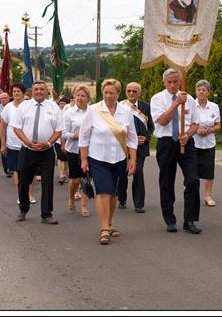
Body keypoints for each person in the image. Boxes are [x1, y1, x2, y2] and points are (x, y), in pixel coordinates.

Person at [79, 79, 137, 245]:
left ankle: (109, 224)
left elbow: (132, 138)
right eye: (105, 92)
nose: (108, 95)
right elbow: (84, 136)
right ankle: (104, 229)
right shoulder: (93, 110)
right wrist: (84, 159)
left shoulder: (126, 111)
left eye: (111, 92)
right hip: (98, 158)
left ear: (118, 94)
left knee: (113, 194)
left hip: (119, 158)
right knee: (103, 192)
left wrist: (132, 159)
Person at [150, 68, 201, 234]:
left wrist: (188, 134)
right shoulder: (157, 99)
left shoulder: (190, 99)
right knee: (167, 180)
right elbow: (163, 121)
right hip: (166, 143)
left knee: (193, 180)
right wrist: (176, 103)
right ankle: (169, 219)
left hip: (186, 142)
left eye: (175, 81)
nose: (172, 85)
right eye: (169, 82)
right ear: (164, 83)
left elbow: (195, 123)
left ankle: (190, 220)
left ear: (180, 82)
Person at [12, 80, 64, 224]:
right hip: (27, 150)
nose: (39, 92)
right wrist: (27, 142)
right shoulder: (24, 106)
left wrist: (48, 143)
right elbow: (16, 127)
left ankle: (46, 214)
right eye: (36, 89)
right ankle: (23, 209)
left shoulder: (53, 107)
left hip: (46, 151)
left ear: (46, 91)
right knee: (24, 182)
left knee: (47, 182)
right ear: (32, 91)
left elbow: (59, 129)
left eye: (42, 89)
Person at [118, 82, 154, 213]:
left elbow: (151, 127)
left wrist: (146, 138)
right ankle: (121, 198)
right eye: (129, 91)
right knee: (122, 173)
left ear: (139, 93)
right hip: (123, 146)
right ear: (126, 92)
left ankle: (139, 204)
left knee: (138, 172)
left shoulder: (146, 107)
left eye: (134, 91)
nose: (131, 93)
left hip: (141, 147)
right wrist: (129, 140)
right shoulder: (120, 106)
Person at [62, 84, 92, 217]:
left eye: (83, 95)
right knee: (75, 179)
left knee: (86, 178)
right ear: (74, 96)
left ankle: (84, 206)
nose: (80, 98)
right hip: (74, 150)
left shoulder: (93, 111)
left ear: (88, 98)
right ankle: (71, 197)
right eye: (77, 95)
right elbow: (64, 133)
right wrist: (76, 136)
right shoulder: (68, 112)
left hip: (91, 150)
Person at [193, 80, 222, 207]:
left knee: (209, 170)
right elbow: (186, 123)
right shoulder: (190, 105)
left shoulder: (214, 107)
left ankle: (208, 196)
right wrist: (197, 130)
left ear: (208, 92)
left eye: (203, 90)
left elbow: (218, 125)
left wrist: (210, 130)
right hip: (193, 143)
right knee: (192, 172)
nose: (201, 92)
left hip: (209, 143)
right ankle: (193, 196)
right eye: (198, 89)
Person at [0, 92, 11, 176]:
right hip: (3, 132)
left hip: (14, 133)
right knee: (4, 150)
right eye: (1, 98)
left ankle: (13, 167)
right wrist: (4, 125)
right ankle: (7, 169)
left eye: (5, 98)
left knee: (13, 150)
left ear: (8, 98)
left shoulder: (12, 106)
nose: (3, 100)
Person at [55, 97, 70, 185]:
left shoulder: (68, 114)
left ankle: (65, 173)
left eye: (64, 103)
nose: (62, 105)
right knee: (60, 157)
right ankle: (61, 174)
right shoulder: (57, 113)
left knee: (66, 159)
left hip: (67, 140)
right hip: (58, 140)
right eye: (60, 103)